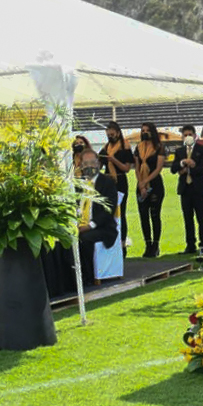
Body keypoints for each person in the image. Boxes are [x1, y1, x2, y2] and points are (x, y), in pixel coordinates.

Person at [77, 150, 119, 285]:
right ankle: (71, 278)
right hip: (78, 225)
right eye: (86, 164)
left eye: (92, 163)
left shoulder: (107, 182)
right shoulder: (77, 184)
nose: (89, 166)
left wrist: (89, 226)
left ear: (98, 164)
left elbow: (108, 210)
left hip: (102, 227)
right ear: (81, 166)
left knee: (84, 239)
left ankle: (87, 278)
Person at [170, 125, 203, 254]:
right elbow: (173, 168)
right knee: (188, 218)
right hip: (185, 189)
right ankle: (190, 245)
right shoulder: (179, 151)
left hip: (199, 189)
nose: (188, 137)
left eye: (190, 134)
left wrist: (190, 168)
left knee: (202, 218)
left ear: (195, 136)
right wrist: (182, 163)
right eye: (185, 135)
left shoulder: (202, 149)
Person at [98, 121, 135, 257]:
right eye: (108, 135)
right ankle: (109, 242)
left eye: (112, 135)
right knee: (108, 212)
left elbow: (126, 168)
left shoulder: (125, 146)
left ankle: (123, 243)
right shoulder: (106, 147)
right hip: (108, 182)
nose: (110, 137)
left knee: (121, 213)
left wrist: (113, 160)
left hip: (120, 181)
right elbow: (99, 163)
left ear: (118, 133)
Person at [134, 122, 166, 258]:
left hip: (155, 184)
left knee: (155, 215)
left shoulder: (159, 147)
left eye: (147, 130)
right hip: (141, 184)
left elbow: (158, 168)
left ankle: (155, 245)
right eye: (143, 130)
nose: (145, 133)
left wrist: (146, 181)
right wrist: (141, 184)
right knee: (143, 215)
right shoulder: (138, 148)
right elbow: (137, 167)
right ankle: (147, 244)